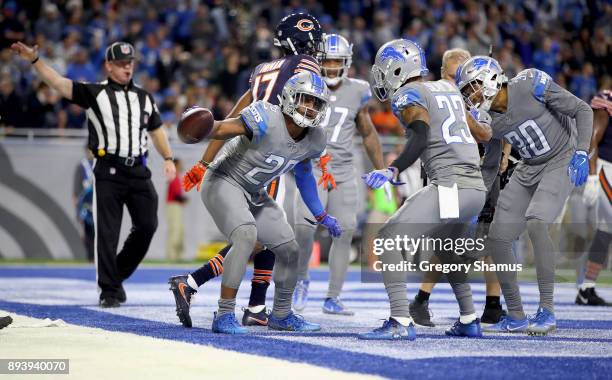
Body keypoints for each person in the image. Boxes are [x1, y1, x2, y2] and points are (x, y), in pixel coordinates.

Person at [168, 12, 324, 328]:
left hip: (265, 162)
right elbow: (230, 124)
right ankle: (241, 306)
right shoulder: (305, 69)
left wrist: (204, 161)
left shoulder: (263, 70)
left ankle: (273, 311)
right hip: (260, 155)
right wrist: (206, 154)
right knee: (250, 236)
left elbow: (233, 115)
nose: (312, 105)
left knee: (284, 245)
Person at [11, 41, 176, 308]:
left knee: (148, 225)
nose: (127, 68)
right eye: (121, 64)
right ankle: (109, 290)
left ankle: (116, 275)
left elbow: (156, 129)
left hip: (138, 170)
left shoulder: (144, 97)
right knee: (108, 233)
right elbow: (59, 84)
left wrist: (168, 158)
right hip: (108, 169)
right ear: (109, 66)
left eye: (130, 63)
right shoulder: (95, 93)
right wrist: (35, 61)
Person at [184, 71, 341, 334]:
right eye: (306, 99)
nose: (310, 107)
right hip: (224, 180)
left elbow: (304, 176)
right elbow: (223, 128)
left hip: (254, 192)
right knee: (246, 235)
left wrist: (321, 215)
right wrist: (201, 126)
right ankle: (224, 314)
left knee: (290, 250)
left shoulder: (315, 137)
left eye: (316, 103)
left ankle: (281, 314)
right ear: (291, 97)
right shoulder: (266, 117)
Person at [359, 39, 490, 340]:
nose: (380, 76)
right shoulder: (448, 88)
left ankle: (400, 322)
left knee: (387, 240)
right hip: (475, 189)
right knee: (446, 250)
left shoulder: (409, 93)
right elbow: (480, 132)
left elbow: (420, 134)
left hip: (450, 185)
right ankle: (469, 319)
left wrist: (394, 168)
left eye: (384, 70)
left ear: (396, 69)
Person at [456, 56, 593, 335]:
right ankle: (516, 314)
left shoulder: (531, 83)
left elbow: (582, 109)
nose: (471, 96)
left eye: (473, 87)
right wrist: (476, 200)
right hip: (529, 167)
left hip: (560, 158)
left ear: (490, 79)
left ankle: (547, 310)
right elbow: (492, 163)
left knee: (537, 221)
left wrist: (581, 150)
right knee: (498, 237)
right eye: (467, 91)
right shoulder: (488, 118)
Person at [407, 48, 508, 327]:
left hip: (485, 177)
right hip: (451, 178)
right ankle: (422, 300)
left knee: (494, 239)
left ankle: (492, 305)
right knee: (448, 240)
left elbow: (501, 126)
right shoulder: (436, 98)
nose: (463, 85)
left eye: (468, 78)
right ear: (442, 76)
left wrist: (506, 152)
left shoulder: (485, 97)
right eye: (455, 77)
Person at [291, 34, 384, 315]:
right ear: (318, 61)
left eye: (337, 61)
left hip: (343, 170)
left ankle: (333, 296)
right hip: (313, 168)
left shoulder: (358, 90)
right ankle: (300, 281)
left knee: (343, 232)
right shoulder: (305, 84)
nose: (331, 67)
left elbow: (367, 131)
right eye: (327, 60)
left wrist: (381, 167)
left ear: (347, 62)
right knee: (304, 229)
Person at [577, 89, 612, 306]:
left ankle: (586, 288)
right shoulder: (607, 99)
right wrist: (592, 176)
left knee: (606, 230)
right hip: (604, 168)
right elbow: (592, 138)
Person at [73, 146, 95, 262]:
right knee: (87, 231)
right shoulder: (82, 166)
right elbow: (76, 190)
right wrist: (77, 209)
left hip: (98, 204)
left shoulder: (100, 164)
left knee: (100, 232)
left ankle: (98, 256)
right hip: (86, 205)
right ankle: (90, 256)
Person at [166, 158, 187, 261]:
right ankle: (172, 256)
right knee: (175, 230)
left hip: (176, 206)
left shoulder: (176, 177)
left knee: (179, 230)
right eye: (180, 164)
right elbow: (176, 195)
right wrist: (184, 199)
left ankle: (177, 255)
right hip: (173, 205)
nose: (181, 166)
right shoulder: (173, 177)